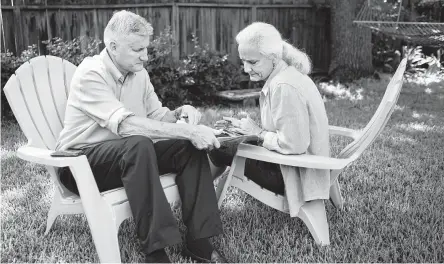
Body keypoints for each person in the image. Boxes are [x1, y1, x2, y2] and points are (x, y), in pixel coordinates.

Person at [55, 10, 227, 263]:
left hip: (130, 157)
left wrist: (180, 113)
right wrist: (188, 130)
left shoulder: (140, 74)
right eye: (137, 50)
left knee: (186, 147)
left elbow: (156, 115)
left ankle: (198, 241)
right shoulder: (90, 73)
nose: (145, 56)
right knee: (138, 143)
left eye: (146, 49)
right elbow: (126, 126)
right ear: (113, 46)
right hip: (80, 164)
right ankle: (156, 250)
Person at [210, 22, 331, 213]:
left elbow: (294, 145)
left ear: (273, 58)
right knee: (225, 137)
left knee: (217, 146)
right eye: (243, 61)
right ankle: (199, 197)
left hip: (294, 177)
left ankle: (197, 200)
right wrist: (246, 130)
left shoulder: (284, 86)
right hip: (298, 169)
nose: (246, 68)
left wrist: (256, 132)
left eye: (253, 62)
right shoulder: (287, 76)